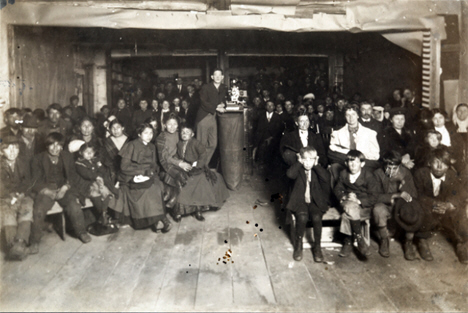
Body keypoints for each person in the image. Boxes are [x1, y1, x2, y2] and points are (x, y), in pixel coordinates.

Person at [394, 148, 468, 264]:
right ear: (429, 163)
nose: (439, 167)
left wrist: (449, 204)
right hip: (427, 204)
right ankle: (422, 240)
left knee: (459, 210)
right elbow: (418, 195)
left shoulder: (451, 175)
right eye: (436, 162)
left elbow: (459, 193)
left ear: (448, 166)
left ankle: (462, 244)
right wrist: (433, 203)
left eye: (444, 164)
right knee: (421, 209)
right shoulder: (421, 173)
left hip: (443, 206)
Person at [30, 132, 91, 253]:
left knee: (74, 206)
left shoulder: (67, 157)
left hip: (63, 188)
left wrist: (65, 188)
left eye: (58, 145)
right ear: (46, 146)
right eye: (52, 145)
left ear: (62, 146)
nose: (55, 148)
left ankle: (81, 232)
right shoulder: (37, 159)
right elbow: (35, 181)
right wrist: (47, 191)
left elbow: (72, 176)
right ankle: (34, 241)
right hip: (46, 190)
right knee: (38, 210)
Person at [110, 123, 172, 232]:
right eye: (146, 133)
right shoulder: (131, 145)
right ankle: (161, 220)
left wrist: (153, 172)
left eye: (151, 133)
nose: (149, 135)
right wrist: (141, 172)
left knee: (157, 187)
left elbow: (154, 164)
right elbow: (124, 167)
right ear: (139, 134)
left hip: (148, 174)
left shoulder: (152, 146)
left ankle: (158, 220)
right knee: (149, 190)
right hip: (130, 175)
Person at [172, 124, 230, 221]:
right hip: (186, 167)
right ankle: (179, 211)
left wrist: (198, 165)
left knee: (200, 183)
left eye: (187, 132)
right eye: (182, 132)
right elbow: (179, 156)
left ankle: (198, 210)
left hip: (197, 167)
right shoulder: (180, 144)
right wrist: (180, 163)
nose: (184, 134)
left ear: (192, 134)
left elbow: (203, 155)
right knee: (183, 183)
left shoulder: (196, 143)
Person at [286, 146, 331, 262]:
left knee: (316, 217)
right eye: (305, 159)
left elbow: (326, 178)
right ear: (301, 159)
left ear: (315, 159)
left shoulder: (317, 169)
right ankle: (298, 244)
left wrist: (316, 165)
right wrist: (299, 162)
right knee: (302, 217)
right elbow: (290, 175)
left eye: (311, 160)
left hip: (314, 201)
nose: (308, 163)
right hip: (300, 201)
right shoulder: (298, 169)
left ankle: (317, 247)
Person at [333, 150, 380, 258]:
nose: (353, 165)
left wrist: (358, 201)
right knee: (350, 207)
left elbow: (374, 196)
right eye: (350, 162)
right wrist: (344, 196)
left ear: (362, 164)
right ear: (346, 163)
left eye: (356, 162)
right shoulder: (344, 173)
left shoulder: (369, 176)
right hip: (348, 201)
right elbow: (337, 189)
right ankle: (359, 238)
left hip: (363, 206)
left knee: (346, 215)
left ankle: (348, 241)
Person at [373, 150, 417, 257]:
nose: (391, 171)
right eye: (388, 168)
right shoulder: (377, 174)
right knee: (378, 210)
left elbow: (414, 194)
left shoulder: (405, 172)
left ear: (399, 166)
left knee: (412, 210)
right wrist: (394, 196)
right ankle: (384, 239)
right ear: (383, 165)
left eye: (394, 168)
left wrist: (403, 185)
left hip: (401, 205)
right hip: (385, 204)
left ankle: (408, 242)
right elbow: (374, 196)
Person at [0, 136, 34, 260]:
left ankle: (20, 242)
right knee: (7, 212)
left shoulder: (23, 162)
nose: (13, 151)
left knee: (27, 208)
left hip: (22, 195)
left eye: (15, 148)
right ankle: (12, 244)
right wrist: (10, 196)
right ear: (1, 151)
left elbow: (28, 182)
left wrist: (21, 193)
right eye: (8, 149)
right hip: (4, 198)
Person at [328, 103, 380, 184]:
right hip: (345, 165)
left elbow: (375, 155)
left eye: (353, 114)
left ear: (358, 116)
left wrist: (357, 158)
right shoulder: (337, 133)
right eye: (348, 115)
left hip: (365, 165)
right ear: (345, 117)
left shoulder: (370, 133)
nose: (351, 117)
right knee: (335, 168)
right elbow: (332, 153)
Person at [75, 142, 118, 228]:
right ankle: (102, 214)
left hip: (99, 181)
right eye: (86, 152)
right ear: (80, 153)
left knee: (107, 192)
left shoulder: (96, 160)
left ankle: (104, 213)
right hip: (87, 183)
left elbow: (102, 170)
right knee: (96, 192)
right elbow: (86, 174)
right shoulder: (79, 163)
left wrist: (101, 174)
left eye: (91, 152)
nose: (89, 154)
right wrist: (96, 176)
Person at [195, 68, 228, 166]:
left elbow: (224, 100)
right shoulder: (206, 87)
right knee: (201, 145)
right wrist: (217, 107)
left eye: (219, 75)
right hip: (204, 117)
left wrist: (223, 104)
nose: (217, 77)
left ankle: (203, 165)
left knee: (213, 144)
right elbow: (203, 102)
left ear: (222, 77)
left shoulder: (223, 87)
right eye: (215, 75)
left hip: (213, 117)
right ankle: (199, 167)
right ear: (212, 77)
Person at [253, 101, 284, 168]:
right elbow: (258, 129)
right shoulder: (261, 116)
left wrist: (272, 137)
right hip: (262, 137)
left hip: (274, 138)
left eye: (271, 105)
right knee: (262, 148)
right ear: (265, 107)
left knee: (272, 149)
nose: (270, 107)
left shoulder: (278, 117)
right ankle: (262, 163)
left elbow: (279, 130)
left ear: (274, 107)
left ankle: (270, 165)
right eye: (268, 105)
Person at [101, 119, 129, 185]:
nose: (115, 130)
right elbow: (105, 159)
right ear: (110, 130)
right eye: (113, 128)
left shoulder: (130, 140)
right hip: (112, 170)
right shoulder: (107, 142)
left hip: (128, 169)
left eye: (118, 127)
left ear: (123, 128)